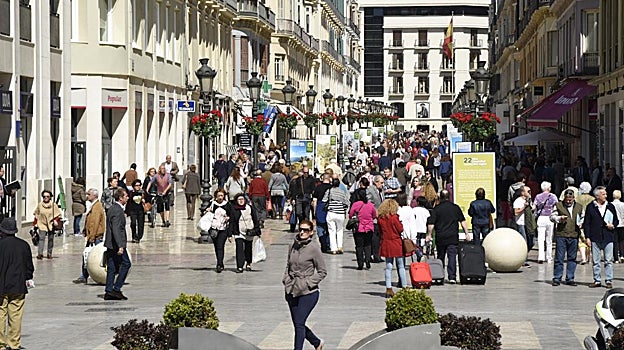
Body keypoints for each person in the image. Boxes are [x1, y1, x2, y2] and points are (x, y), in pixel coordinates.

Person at [282, 219, 327, 350]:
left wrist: (308, 283)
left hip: (308, 292)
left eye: (306, 230)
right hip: (292, 289)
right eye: (300, 229)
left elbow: (322, 271)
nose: (302, 232)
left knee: (299, 323)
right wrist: (286, 279)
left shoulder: (314, 248)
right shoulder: (292, 245)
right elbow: (288, 265)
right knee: (298, 324)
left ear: (311, 232)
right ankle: (317, 342)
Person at [0, 218, 34, 350]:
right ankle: (14, 344)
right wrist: (28, 277)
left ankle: (1, 344)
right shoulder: (23, 245)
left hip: (1, 286)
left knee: (1, 314)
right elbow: (29, 266)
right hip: (18, 286)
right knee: (15, 315)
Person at [426, 190, 471, 284]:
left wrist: (429, 235)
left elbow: (431, 223)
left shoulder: (437, 209)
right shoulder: (455, 208)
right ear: (449, 197)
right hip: (452, 236)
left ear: (440, 198)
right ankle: (452, 277)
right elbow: (462, 221)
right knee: (452, 257)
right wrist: (467, 233)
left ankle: (440, 275)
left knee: (440, 257)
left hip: (441, 236)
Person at [584, 186, 618, 288]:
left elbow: (616, 220)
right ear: (597, 196)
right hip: (595, 236)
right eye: (603, 194)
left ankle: (608, 280)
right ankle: (597, 280)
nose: (606, 196)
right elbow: (587, 223)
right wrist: (587, 237)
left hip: (608, 236)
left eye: (606, 194)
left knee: (608, 260)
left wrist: (613, 225)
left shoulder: (610, 206)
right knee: (596, 261)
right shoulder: (591, 207)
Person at [550, 189, 583, 286]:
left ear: (573, 198)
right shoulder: (558, 205)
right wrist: (559, 218)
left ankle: (570, 278)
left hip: (574, 235)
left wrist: (581, 223)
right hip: (562, 235)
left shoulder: (579, 207)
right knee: (559, 258)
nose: (568, 201)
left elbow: (582, 217)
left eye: (570, 199)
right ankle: (557, 278)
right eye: (567, 199)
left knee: (572, 258)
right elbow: (552, 217)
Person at [104, 188, 131, 300]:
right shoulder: (117, 210)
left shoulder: (113, 208)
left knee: (112, 267)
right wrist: (120, 245)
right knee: (126, 264)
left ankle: (109, 291)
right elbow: (116, 228)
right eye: (126, 196)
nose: (127, 198)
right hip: (115, 244)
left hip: (111, 243)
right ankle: (116, 288)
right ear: (120, 198)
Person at [72, 188, 105, 284]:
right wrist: (85, 230)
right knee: (86, 255)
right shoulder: (93, 206)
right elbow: (89, 221)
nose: (87, 196)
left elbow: (94, 223)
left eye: (89, 194)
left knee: (91, 256)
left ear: (94, 196)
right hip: (92, 236)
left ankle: (86, 275)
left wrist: (91, 237)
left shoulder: (97, 207)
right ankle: (84, 275)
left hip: (95, 237)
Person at [378, 199, 407, 298]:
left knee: (388, 266)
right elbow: (400, 229)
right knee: (401, 265)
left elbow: (380, 231)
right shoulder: (394, 218)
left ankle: (388, 288)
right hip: (396, 242)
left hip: (386, 242)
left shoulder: (381, 218)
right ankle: (404, 287)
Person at [229, 194, 259, 273]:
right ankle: (239, 266)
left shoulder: (250, 208)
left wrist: (257, 229)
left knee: (248, 248)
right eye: (239, 199)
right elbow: (231, 222)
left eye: (242, 199)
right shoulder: (234, 209)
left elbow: (255, 219)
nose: (241, 201)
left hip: (249, 231)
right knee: (239, 249)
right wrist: (229, 234)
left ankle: (248, 263)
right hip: (238, 232)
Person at [349, 189, 376, 270]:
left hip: (359, 228)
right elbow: (374, 215)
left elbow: (350, 215)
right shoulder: (370, 205)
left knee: (359, 246)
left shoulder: (356, 204)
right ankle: (367, 260)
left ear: (358, 196)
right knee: (367, 245)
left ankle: (360, 264)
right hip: (369, 228)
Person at [207, 189, 233, 273]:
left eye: (222, 195)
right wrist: (207, 211)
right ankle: (219, 262)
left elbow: (232, 215)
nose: (220, 197)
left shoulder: (227, 205)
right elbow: (206, 212)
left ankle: (219, 264)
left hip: (223, 228)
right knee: (216, 246)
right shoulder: (212, 204)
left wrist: (228, 218)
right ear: (216, 196)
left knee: (220, 245)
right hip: (214, 228)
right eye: (219, 196)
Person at [322, 178, 350, 255]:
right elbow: (347, 203)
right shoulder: (342, 192)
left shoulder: (329, 190)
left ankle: (333, 248)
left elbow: (324, 200)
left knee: (332, 231)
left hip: (331, 212)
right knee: (340, 230)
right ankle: (340, 247)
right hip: (340, 213)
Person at [534, 181, 558, 263]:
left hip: (541, 218)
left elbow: (534, 207)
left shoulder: (538, 196)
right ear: (548, 188)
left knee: (541, 239)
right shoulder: (553, 196)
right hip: (550, 218)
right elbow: (556, 206)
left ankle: (540, 257)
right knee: (549, 239)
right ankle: (549, 257)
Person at [33, 190, 61, 260]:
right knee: (41, 239)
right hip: (41, 223)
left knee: (50, 239)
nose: (46, 198)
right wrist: (34, 224)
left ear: (50, 197)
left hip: (51, 224)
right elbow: (36, 214)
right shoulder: (40, 205)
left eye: (47, 196)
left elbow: (58, 214)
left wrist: (55, 220)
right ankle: (40, 253)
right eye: (44, 196)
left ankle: (49, 253)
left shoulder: (53, 205)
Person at [367, 175, 385, 263]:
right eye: (381, 183)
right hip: (373, 218)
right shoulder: (370, 190)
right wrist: (375, 212)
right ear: (376, 182)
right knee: (375, 237)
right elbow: (369, 203)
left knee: (378, 237)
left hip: (380, 217)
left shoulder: (381, 191)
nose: (382, 184)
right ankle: (374, 255)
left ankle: (377, 254)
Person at [312, 174, 332, 251]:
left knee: (320, 226)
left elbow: (314, 200)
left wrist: (314, 211)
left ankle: (322, 243)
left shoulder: (318, 187)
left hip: (320, 208)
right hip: (329, 208)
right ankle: (328, 243)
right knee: (329, 227)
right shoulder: (332, 188)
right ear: (329, 179)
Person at [613, 190, 624, 264]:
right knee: (622, 241)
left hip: (614, 224)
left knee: (615, 241)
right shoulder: (623, 204)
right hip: (622, 224)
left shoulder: (611, 204)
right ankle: (622, 255)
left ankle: (616, 258)